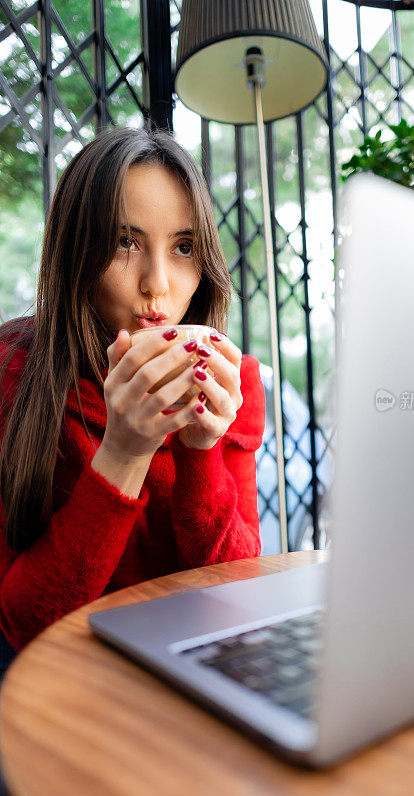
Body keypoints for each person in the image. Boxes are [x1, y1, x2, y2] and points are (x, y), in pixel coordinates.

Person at [0, 126, 265, 659]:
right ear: (79, 253)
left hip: (191, 666)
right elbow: (25, 622)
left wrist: (200, 451)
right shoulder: (17, 367)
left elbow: (239, 591)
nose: (158, 285)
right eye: (126, 242)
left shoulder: (233, 382)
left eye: (184, 247)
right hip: (65, 678)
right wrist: (124, 451)